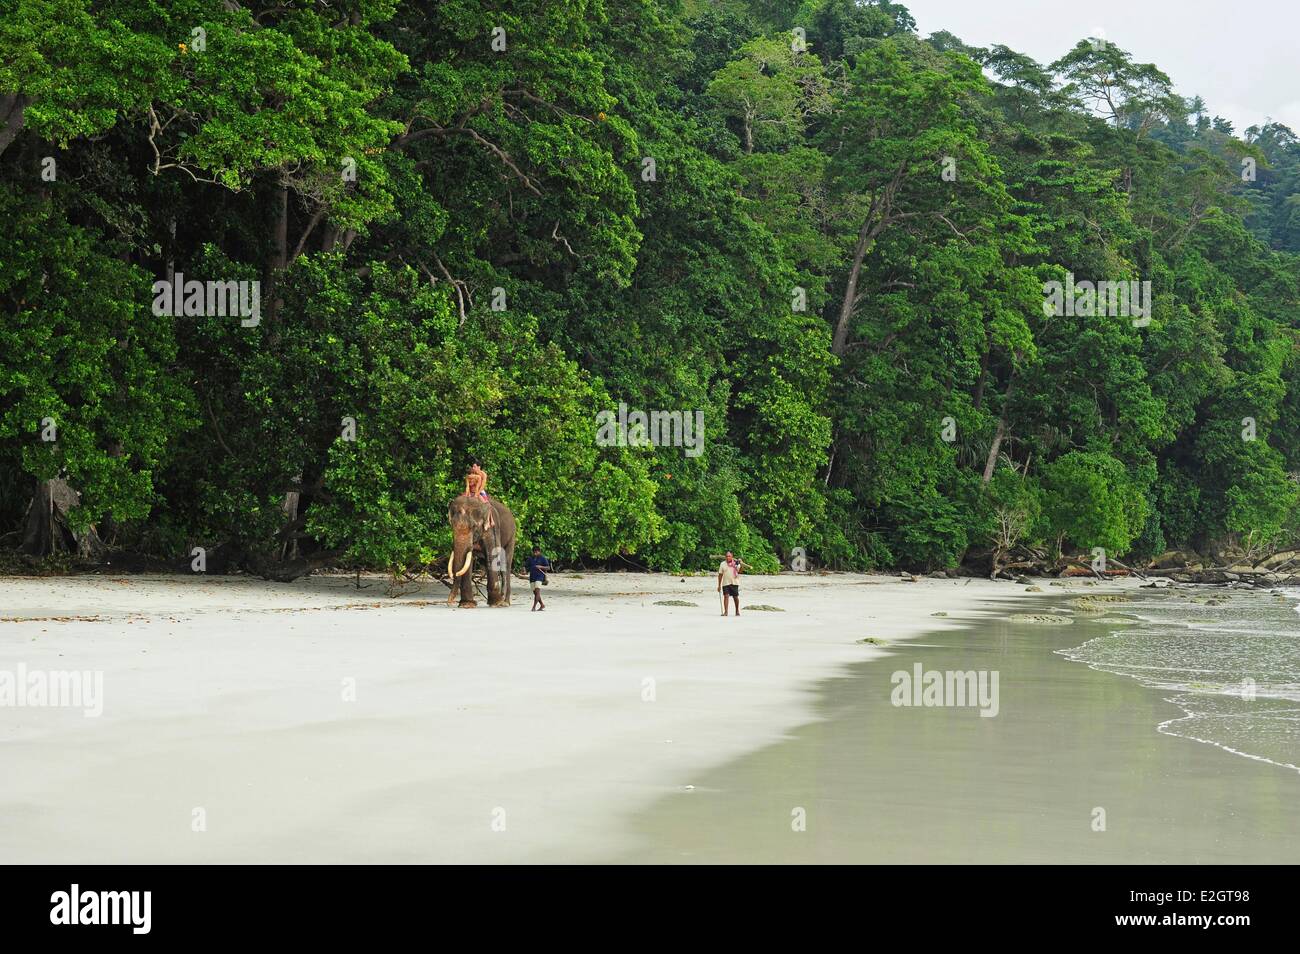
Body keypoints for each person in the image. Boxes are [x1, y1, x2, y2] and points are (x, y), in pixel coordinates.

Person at [717, 551, 746, 617]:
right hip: (725, 583)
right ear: (725, 557)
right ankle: (726, 612)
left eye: (729, 556)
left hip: (734, 582)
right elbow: (720, 575)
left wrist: (740, 564)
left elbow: (740, 571)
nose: (728, 557)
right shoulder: (722, 564)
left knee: (735, 597)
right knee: (726, 596)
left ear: (732, 556)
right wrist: (719, 585)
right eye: (727, 556)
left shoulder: (736, 563)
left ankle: (737, 611)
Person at [524, 545, 552, 611]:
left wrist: (540, 566)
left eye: (536, 552)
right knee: (535, 593)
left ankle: (534, 607)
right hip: (532, 577)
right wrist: (524, 571)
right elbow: (526, 567)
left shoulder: (543, 558)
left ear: (539, 551)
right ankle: (542, 604)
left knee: (537, 591)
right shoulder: (530, 558)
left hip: (540, 576)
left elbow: (548, 567)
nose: (535, 553)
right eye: (534, 552)